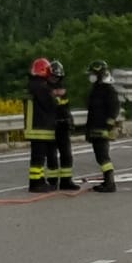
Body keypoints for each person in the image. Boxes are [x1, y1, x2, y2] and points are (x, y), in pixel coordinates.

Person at [84, 59, 121, 193]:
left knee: (103, 156)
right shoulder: (97, 89)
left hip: (102, 129)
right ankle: (107, 181)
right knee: (100, 156)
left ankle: (110, 183)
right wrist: (88, 131)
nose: (91, 76)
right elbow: (92, 112)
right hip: (95, 128)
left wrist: (108, 126)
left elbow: (114, 110)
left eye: (93, 73)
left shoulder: (108, 90)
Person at [24, 57, 60, 192]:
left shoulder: (32, 85)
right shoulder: (41, 87)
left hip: (34, 127)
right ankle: (36, 184)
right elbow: (51, 104)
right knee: (38, 158)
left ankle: (38, 181)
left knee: (37, 157)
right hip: (40, 128)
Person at [48, 60, 80, 190]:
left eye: (57, 77)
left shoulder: (62, 88)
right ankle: (52, 181)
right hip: (50, 125)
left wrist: (69, 120)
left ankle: (66, 181)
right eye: (53, 76)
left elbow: (65, 107)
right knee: (51, 154)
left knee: (66, 154)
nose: (55, 79)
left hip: (62, 125)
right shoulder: (45, 88)